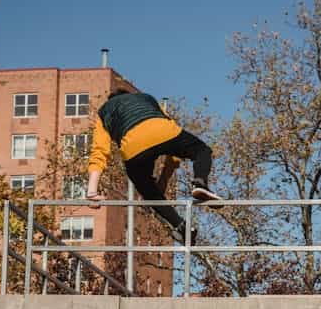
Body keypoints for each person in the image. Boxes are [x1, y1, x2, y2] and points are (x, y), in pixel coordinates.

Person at [86, 89, 221, 243]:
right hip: (163, 131)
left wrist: (92, 191)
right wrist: (163, 180)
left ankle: (181, 226)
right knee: (201, 150)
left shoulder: (104, 111)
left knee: (149, 192)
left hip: (133, 148)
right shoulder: (147, 98)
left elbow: (99, 151)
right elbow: (171, 133)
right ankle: (200, 182)